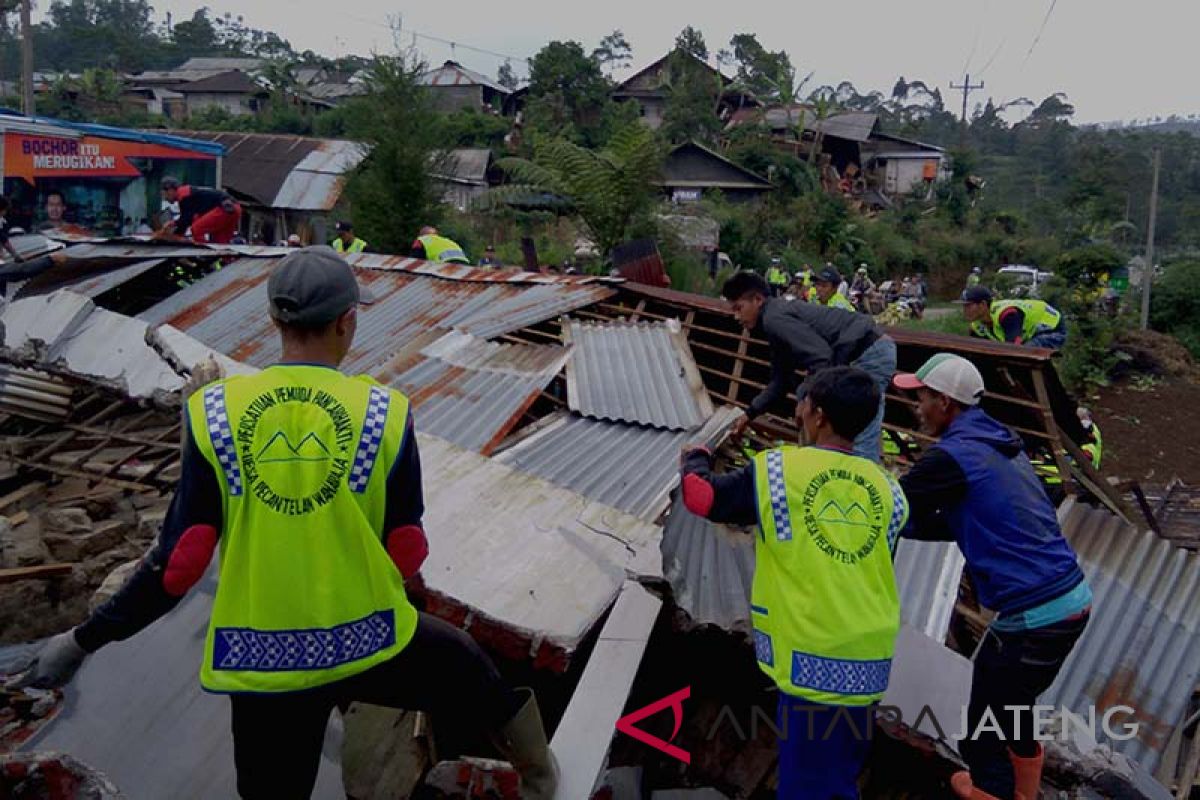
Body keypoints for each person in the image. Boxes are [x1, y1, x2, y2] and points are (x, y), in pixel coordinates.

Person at [15, 247, 559, 800]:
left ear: (275, 322)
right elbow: (407, 549)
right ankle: (543, 780)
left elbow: (178, 567)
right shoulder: (383, 412)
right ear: (349, 321)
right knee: (468, 668)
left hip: (262, 665)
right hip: (368, 638)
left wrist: (83, 640)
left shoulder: (214, 413)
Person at [680, 367, 908, 800]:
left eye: (802, 401)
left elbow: (702, 497)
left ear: (818, 415)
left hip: (816, 655)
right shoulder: (889, 487)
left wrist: (695, 457)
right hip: (870, 655)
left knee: (809, 789)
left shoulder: (780, 470)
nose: (797, 409)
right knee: (839, 774)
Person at [893, 354, 1091, 800]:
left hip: (1036, 615)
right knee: (1013, 709)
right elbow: (960, 522)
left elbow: (891, 507)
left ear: (944, 402)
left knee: (983, 737)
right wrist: (906, 524)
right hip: (1069, 599)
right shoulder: (1000, 443)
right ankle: (1024, 793)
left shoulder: (950, 458)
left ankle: (997, 792)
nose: (916, 406)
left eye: (921, 397)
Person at [722, 271, 896, 462]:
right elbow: (780, 381)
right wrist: (749, 414)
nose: (736, 317)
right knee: (841, 430)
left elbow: (821, 358)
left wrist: (806, 398)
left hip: (867, 352)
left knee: (860, 436)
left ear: (758, 300)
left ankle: (865, 486)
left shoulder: (774, 319)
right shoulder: (773, 322)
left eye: (739, 308)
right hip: (856, 353)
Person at [960, 287, 1067, 350]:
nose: (965, 310)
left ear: (982, 304)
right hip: (1031, 332)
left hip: (1052, 327)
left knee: (1026, 354)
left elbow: (1013, 346)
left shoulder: (1007, 314)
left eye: (968, 306)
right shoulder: (977, 326)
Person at [158, 177, 243, 245]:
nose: (165, 198)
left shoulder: (183, 194)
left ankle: (203, 254)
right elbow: (189, 218)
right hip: (234, 208)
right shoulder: (191, 195)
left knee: (196, 229)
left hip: (224, 208)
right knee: (220, 244)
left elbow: (186, 220)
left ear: (170, 190)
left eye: (164, 194)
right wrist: (174, 224)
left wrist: (174, 236)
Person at [0, 197, 24, 265]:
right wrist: (16, 255)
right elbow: (4, 240)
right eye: (5, 210)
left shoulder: (2, 221)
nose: (5, 213)